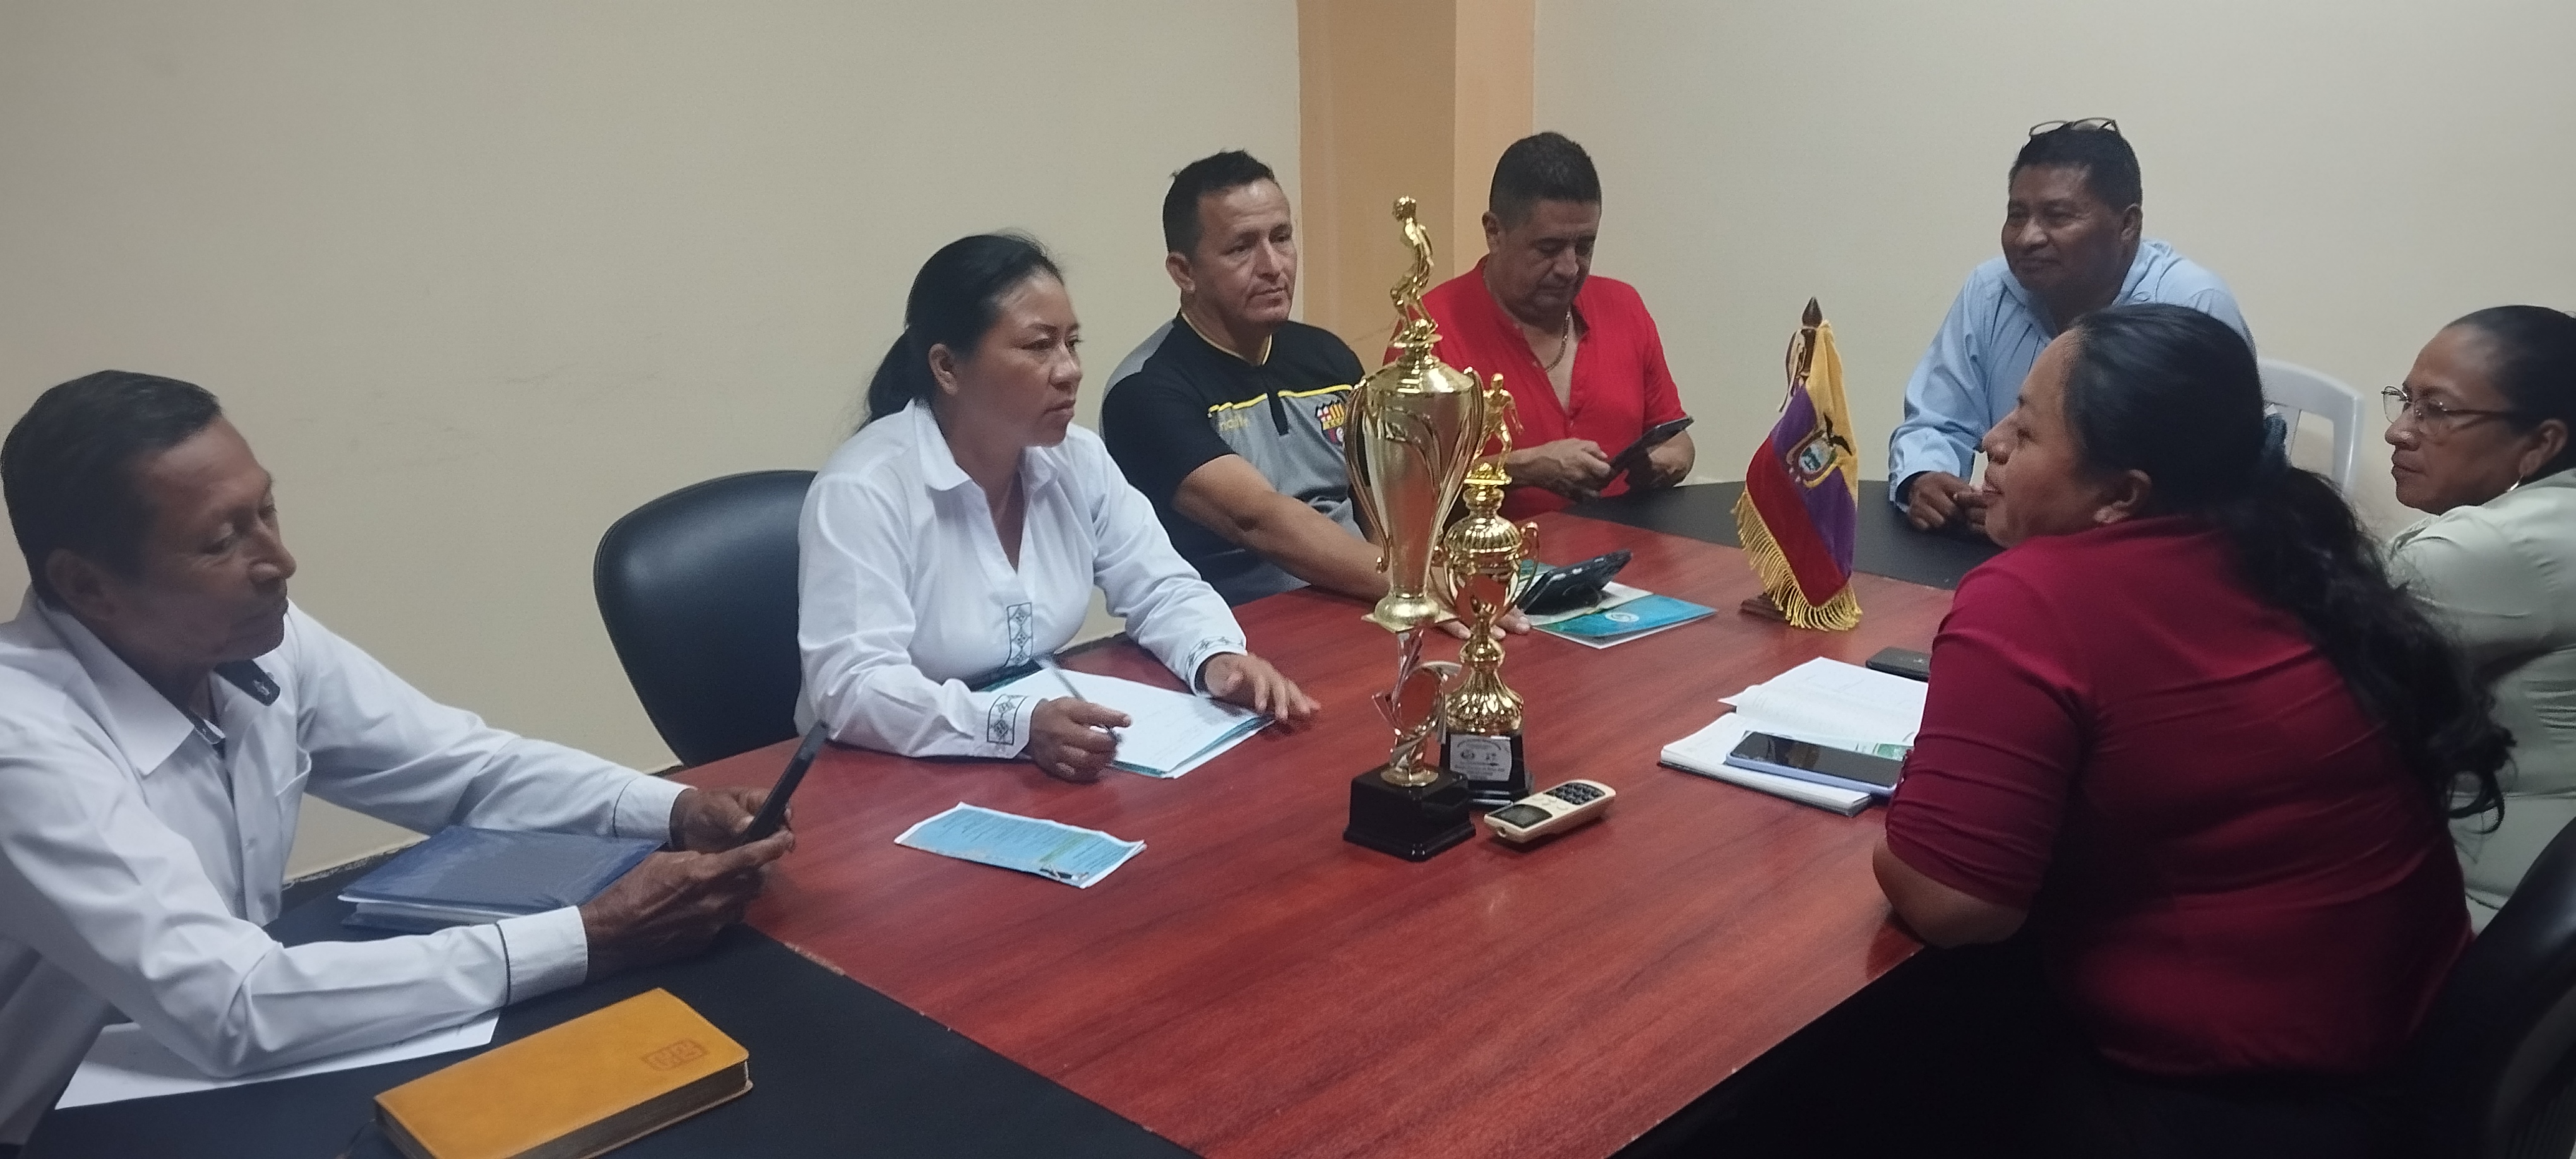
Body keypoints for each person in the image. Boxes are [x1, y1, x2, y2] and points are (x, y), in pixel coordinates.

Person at [0, 372, 792, 1148]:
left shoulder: (258, 639)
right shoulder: (24, 746)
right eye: (220, 542)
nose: (279, 560)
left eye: (266, 510)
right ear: (87, 586)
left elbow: (465, 769)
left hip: (222, 1069)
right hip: (57, 1122)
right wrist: (594, 935)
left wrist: (675, 810)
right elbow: (235, 1006)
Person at [1873, 305, 2506, 1155]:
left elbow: (1953, 905)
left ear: (2121, 494)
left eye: (2025, 428)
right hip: (2407, 1054)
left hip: (2237, 1107)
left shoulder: (2032, 596)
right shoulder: (2281, 540)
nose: (1991, 442)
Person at [798, 233, 1318, 782]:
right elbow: (853, 686)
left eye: (1072, 343)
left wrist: (1215, 659)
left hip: (1034, 762)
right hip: (881, 778)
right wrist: (1014, 726)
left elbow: (1161, 586)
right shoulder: (865, 488)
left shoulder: (1077, 459)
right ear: (947, 367)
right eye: (1038, 346)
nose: (1070, 370)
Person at [1890, 119, 2251, 535]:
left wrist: (2039, 519)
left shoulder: (2192, 304)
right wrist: (1925, 477)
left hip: (2136, 556)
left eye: (2057, 216)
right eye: (2016, 216)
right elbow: (1938, 420)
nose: (2027, 238)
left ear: (2128, 225)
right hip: (2001, 545)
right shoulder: (1991, 291)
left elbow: (2211, 490)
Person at [1100, 151, 1376, 606]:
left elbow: (1378, 509)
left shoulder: (1329, 358)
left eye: (1281, 238)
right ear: (1184, 272)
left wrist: (1414, 598)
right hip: (1234, 630)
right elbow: (1258, 521)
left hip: (1364, 600)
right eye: (1241, 248)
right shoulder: (1145, 391)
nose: (1273, 266)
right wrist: (1416, 589)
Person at [2385, 305, 2576, 929]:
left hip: (2483, 910)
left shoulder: (2498, 548)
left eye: (2436, 410)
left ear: (2540, 444)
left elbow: (2287, 665)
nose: (2399, 432)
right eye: (2405, 401)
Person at [1417, 131, 1693, 518]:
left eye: (1584, 247)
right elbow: (1409, 491)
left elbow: (1678, 441)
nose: (1569, 268)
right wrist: (1524, 469)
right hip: (1494, 554)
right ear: (1494, 232)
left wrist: (1667, 462)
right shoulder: (1429, 330)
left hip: (1630, 548)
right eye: (1548, 249)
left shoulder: (1624, 306)